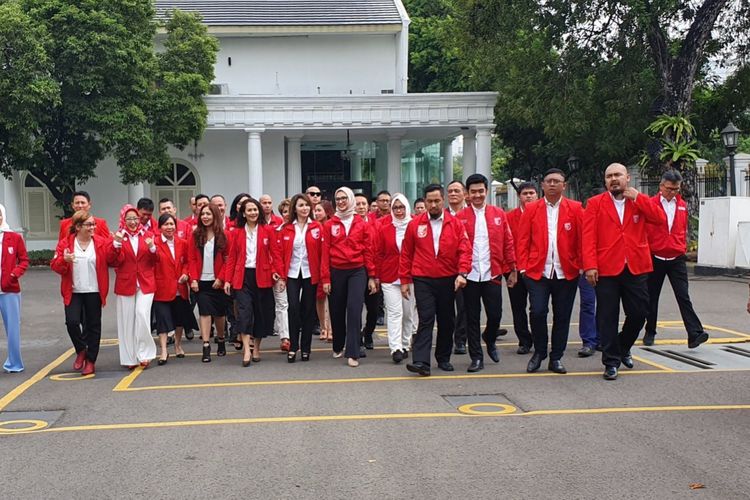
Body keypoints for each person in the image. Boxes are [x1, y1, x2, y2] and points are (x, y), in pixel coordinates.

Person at [583, 163, 665, 380]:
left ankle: (621, 346)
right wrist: (590, 265)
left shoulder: (638, 201)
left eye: (618, 175)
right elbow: (588, 237)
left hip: (635, 266)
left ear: (627, 177)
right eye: (609, 176)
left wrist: (639, 198)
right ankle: (611, 362)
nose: (614, 179)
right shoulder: (595, 203)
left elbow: (660, 219)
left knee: (639, 313)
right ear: (605, 181)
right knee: (607, 316)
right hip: (606, 268)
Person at [517, 169, 584, 374]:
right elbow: (522, 240)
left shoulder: (575, 208)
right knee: (537, 312)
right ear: (543, 185)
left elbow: (583, 239)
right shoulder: (531, 209)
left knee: (562, 316)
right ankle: (539, 352)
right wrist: (523, 267)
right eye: (549, 181)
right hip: (538, 271)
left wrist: (582, 264)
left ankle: (556, 357)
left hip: (567, 271)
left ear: (564, 185)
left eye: (557, 181)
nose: (553, 184)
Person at [401, 184, 472, 376]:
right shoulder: (415, 224)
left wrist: (462, 272)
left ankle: (443, 358)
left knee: (446, 320)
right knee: (426, 318)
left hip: (448, 279)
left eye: (437, 201)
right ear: (424, 202)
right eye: (429, 201)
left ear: (443, 201)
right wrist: (405, 280)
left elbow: (464, 250)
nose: (433, 205)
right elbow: (406, 253)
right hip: (423, 278)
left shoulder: (455, 224)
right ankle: (421, 361)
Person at [456, 174, 516, 372]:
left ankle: (490, 338)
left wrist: (512, 269)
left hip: (492, 273)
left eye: (481, 191)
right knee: (471, 317)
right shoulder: (460, 217)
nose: (477, 195)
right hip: (469, 276)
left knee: (495, 315)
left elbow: (508, 243)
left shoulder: (498, 214)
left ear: (486, 191)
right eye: (473, 192)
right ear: (467, 194)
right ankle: (477, 357)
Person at [643, 170, 708, 348]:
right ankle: (650, 331)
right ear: (661, 186)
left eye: (676, 189)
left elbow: (681, 228)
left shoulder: (682, 205)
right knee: (651, 297)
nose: (673, 192)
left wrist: (681, 246)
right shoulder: (650, 204)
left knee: (683, 295)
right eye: (670, 189)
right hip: (655, 256)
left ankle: (694, 333)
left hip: (676, 257)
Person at [320, 187, 377, 367]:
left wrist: (372, 276)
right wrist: (326, 279)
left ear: (350, 199)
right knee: (336, 311)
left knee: (354, 309)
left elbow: (368, 250)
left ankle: (353, 352)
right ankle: (338, 344)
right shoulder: (330, 224)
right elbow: (325, 253)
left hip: (357, 271)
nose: (342, 201)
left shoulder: (361, 223)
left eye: (345, 198)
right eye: (338, 198)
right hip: (336, 270)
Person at [51, 210, 110, 375]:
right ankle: (81, 349)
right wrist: (64, 260)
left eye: (93, 224)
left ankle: (91, 360)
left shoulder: (100, 242)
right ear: (78, 227)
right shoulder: (66, 243)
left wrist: (117, 243)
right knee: (72, 322)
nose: (93, 227)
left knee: (93, 326)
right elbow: (55, 265)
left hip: (94, 290)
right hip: (74, 290)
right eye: (89, 224)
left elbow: (113, 258)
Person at [224, 198, 276, 366]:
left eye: (255, 209)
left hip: (262, 276)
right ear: (244, 214)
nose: (253, 212)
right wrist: (227, 280)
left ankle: (257, 348)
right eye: (249, 210)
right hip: (243, 276)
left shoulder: (268, 231)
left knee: (261, 313)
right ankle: (246, 349)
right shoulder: (237, 232)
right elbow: (231, 258)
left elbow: (275, 255)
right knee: (245, 313)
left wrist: (276, 273)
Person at [273, 194, 323, 362]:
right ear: (295, 208)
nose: (304, 208)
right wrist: (280, 275)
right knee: (293, 308)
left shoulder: (317, 227)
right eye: (301, 205)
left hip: (310, 273)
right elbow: (279, 254)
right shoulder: (286, 228)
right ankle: (293, 346)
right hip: (292, 273)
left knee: (308, 310)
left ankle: (306, 348)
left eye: (307, 205)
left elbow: (322, 253)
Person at [109, 204, 159, 369]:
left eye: (135, 218)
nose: (132, 222)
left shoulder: (148, 235)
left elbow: (156, 260)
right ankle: (129, 358)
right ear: (123, 220)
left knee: (142, 315)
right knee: (127, 321)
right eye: (129, 219)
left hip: (146, 282)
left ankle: (144, 354)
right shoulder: (119, 237)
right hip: (126, 283)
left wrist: (152, 248)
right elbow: (112, 261)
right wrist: (116, 245)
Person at [377, 193, 416, 363]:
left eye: (401, 207)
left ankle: (406, 343)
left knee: (408, 313)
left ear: (407, 207)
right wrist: (376, 276)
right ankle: (395, 348)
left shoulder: (415, 226)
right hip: (390, 277)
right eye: (395, 208)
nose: (398, 211)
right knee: (394, 313)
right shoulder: (385, 229)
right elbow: (378, 253)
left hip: (411, 277)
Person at [188, 202, 229, 363]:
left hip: (217, 281)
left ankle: (220, 339)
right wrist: (193, 279)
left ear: (215, 216)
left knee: (219, 314)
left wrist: (221, 277)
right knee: (204, 312)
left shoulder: (223, 236)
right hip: (201, 282)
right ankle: (206, 345)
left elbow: (228, 259)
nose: (205, 217)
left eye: (208, 214)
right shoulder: (195, 235)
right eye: (203, 214)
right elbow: (191, 258)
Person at [153, 213, 193, 364]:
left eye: (172, 224)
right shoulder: (154, 244)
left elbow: (187, 262)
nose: (169, 227)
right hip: (161, 287)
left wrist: (185, 274)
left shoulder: (182, 243)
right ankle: (163, 350)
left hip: (180, 287)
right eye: (166, 224)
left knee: (179, 319)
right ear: (160, 227)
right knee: (162, 320)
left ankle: (177, 345)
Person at [505, 182, 537, 354]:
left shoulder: (543, 214)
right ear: (519, 196)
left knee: (537, 307)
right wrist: (512, 269)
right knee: (518, 307)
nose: (529, 196)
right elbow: (507, 244)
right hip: (515, 269)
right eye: (525, 193)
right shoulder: (510, 217)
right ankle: (524, 340)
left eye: (532, 193)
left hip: (536, 269)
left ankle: (538, 337)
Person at [0, 204, 29, 373]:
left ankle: (14, 363)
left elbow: (24, 260)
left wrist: (14, 274)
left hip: (9, 290)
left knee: (12, 328)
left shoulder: (14, 237)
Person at [577, 188, 605, 357]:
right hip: (586, 268)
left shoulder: (612, 217)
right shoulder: (581, 215)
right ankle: (589, 341)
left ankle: (602, 338)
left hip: (608, 268)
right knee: (588, 304)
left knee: (606, 306)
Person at [445, 180, 469, 355]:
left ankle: (461, 339)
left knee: (463, 306)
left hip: (464, 268)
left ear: (465, 194)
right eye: (450, 191)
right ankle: (447, 338)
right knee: (446, 308)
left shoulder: (472, 214)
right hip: (444, 268)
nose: (453, 194)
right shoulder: (441, 214)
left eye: (457, 191)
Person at [355, 193, 380, 354]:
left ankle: (368, 333)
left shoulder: (376, 224)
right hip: (356, 271)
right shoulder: (350, 224)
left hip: (373, 270)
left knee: (374, 308)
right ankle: (357, 341)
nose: (361, 207)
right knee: (356, 308)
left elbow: (378, 250)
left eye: (364, 203)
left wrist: (375, 275)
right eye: (358, 204)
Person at [272, 198, 292, 350]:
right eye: (285, 212)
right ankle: (285, 337)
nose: (287, 214)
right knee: (282, 304)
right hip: (281, 275)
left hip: (299, 274)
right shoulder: (276, 232)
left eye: (290, 211)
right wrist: (277, 273)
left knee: (296, 305)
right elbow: (273, 255)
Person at [314, 200, 334, 342]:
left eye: (319, 210)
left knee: (332, 299)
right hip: (316, 266)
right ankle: (323, 327)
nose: (316, 213)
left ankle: (332, 328)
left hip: (331, 266)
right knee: (319, 298)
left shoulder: (332, 225)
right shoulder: (313, 226)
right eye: (315, 210)